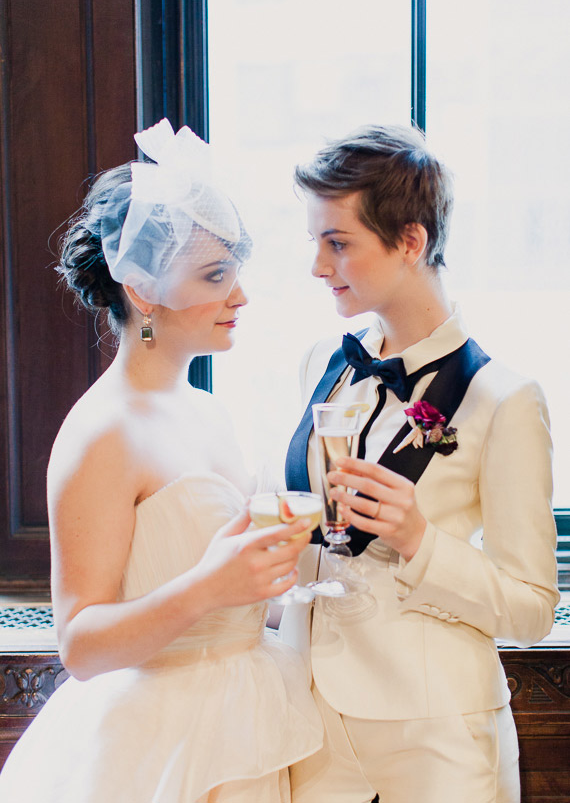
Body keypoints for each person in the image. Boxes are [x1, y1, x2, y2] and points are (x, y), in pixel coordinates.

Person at [0, 119, 322, 802]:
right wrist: (212, 584)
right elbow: (80, 644)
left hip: (250, 712)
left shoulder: (207, 408)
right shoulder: (102, 432)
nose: (240, 295)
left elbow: (236, 592)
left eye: (235, 271)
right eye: (214, 275)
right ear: (143, 291)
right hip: (161, 742)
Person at [281, 124, 559, 803]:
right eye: (316, 241)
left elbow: (533, 609)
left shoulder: (507, 399)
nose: (318, 266)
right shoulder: (324, 362)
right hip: (311, 725)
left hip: (437, 738)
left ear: (411, 240)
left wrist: (419, 541)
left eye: (338, 242)